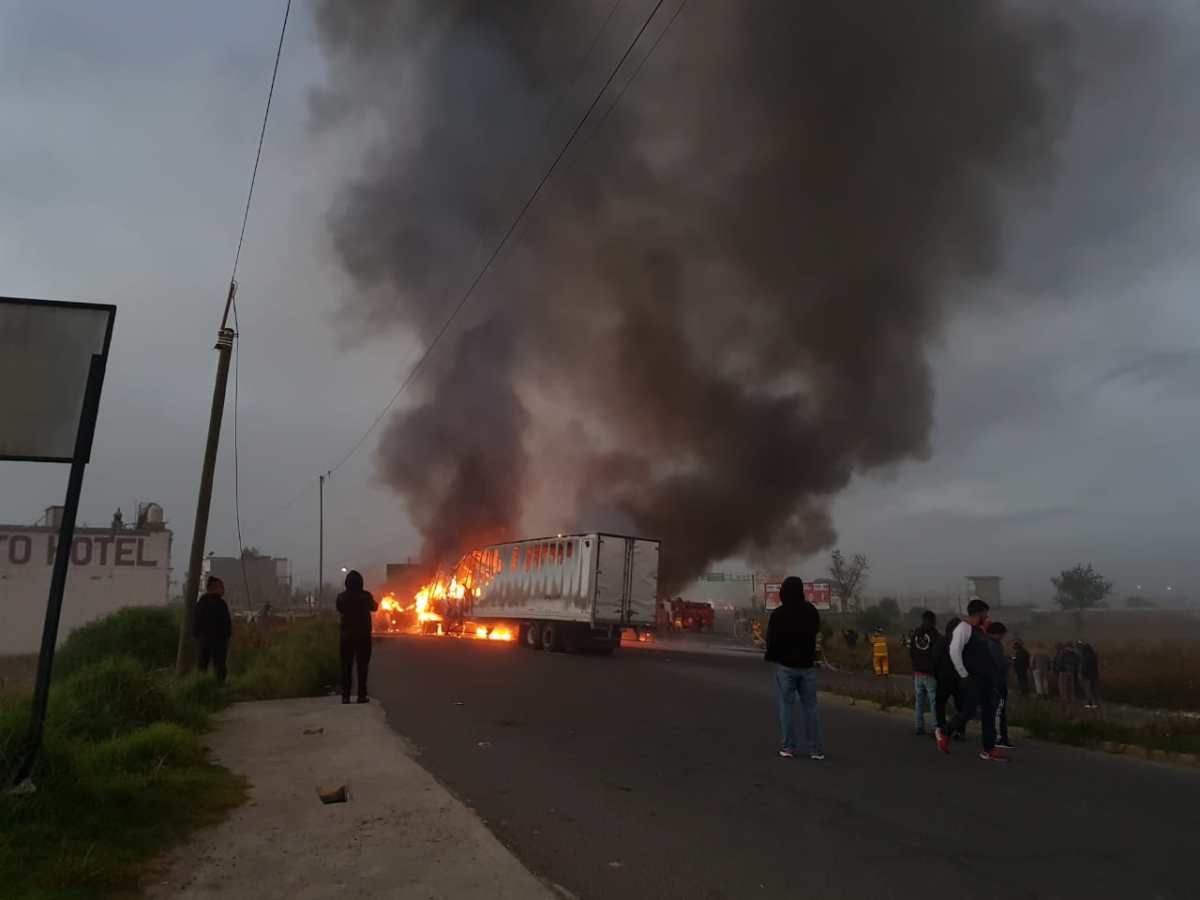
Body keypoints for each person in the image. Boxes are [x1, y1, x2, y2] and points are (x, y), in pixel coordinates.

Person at [938, 598, 1006, 762]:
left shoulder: (979, 630)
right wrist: (963, 674)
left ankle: (988, 749)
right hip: (973, 678)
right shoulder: (963, 628)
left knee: (989, 713)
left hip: (986, 678)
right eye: (985, 613)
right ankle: (945, 732)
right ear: (979, 613)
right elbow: (954, 651)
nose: (987, 615)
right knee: (969, 711)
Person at [764, 576, 824, 760]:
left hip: (786, 667)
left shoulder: (778, 614)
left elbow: (771, 640)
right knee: (810, 708)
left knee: (786, 707)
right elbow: (816, 633)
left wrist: (771, 656)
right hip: (807, 667)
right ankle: (815, 749)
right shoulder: (811, 612)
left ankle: (788, 747)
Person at [336, 569, 378, 704]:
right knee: (362, 666)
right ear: (361, 583)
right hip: (363, 636)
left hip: (346, 637)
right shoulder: (366, 596)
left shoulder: (341, 597)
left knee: (346, 667)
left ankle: (345, 696)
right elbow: (375, 607)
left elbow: (340, 608)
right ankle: (361, 695)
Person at [194, 576, 232, 685]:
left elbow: (196, 624)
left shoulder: (201, 603)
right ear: (214, 588)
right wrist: (227, 637)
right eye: (221, 587)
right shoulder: (220, 604)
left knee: (202, 665)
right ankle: (218, 687)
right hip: (218, 641)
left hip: (203, 641)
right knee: (219, 666)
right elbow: (226, 624)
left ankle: (201, 686)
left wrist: (197, 637)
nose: (223, 589)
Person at [933, 616, 965, 740]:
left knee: (940, 705)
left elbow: (935, 660)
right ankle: (960, 731)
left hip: (944, 679)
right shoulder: (963, 642)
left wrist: (937, 675)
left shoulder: (942, 641)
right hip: (959, 679)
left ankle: (942, 730)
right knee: (961, 706)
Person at [908, 610, 939, 736]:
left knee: (919, 701)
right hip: (930, 673)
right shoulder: (934, 634)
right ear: (932, 620)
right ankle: (936, 728)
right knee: (934, 701)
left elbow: (911, 653)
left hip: (918, 672)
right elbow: (938, 653)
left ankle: (919, 727)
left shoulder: (915, 633)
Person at [986, 622, 1014, 750]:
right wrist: (1008, 661)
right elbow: (1000, 663)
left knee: (997, 711)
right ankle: (999, 738)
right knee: (999, 711)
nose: (1003, 637)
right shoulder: (993, 645)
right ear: (996, 633)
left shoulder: (988, 643)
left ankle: (999, 737)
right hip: (997, 683)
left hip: (993, 682)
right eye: (1002, 635)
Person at [1052, 642, 1080, 706]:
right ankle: (1072, 700)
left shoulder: (1062, 652)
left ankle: (1065, 700)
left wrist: (1056, 671)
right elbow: (1077, 663)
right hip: (1071, 672)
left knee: (1063, 687)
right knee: (1071, 687)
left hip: (1063, 672)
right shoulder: (1074, 653)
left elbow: (1058, 662)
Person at [1077, 640, 1100, 709]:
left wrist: (1081, 674)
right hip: (1094, 675)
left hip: (1087, 676)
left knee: (1088, 690)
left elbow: (1084, 667)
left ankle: (1089, 704)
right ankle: (1096, 704)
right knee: (1094, 690)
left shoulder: (1085, 657)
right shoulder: (1094, 655)